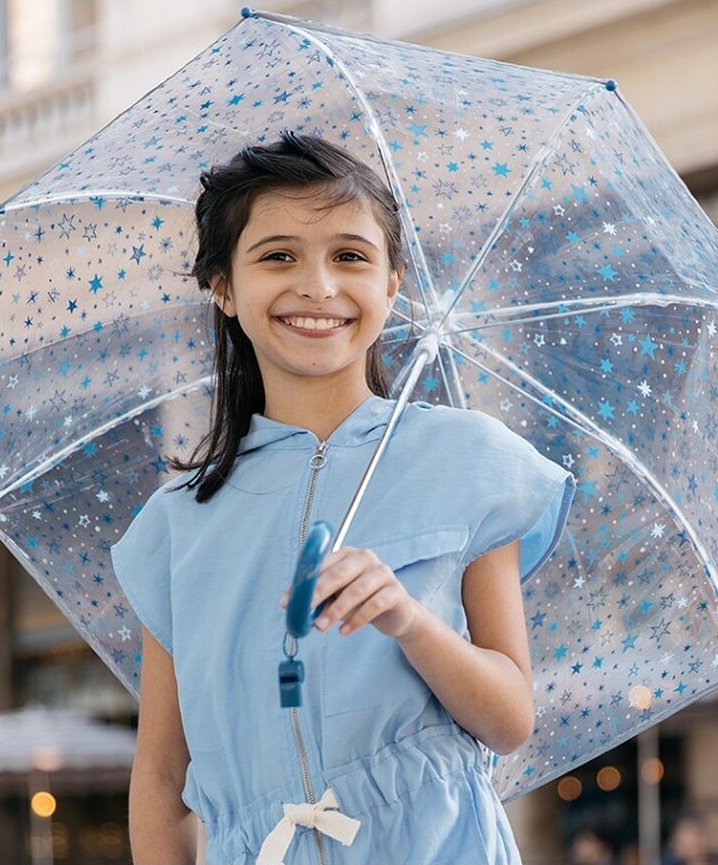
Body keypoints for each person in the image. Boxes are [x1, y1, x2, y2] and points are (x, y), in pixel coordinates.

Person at [111, 133, 574, 865]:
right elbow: (164, 772)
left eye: (351, 256)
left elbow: (509, 719)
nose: (319, 287)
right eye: (277, 255)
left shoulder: (468, 459)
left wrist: (407, 619)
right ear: (223, 287)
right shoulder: (177, 521)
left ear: (391, 284)